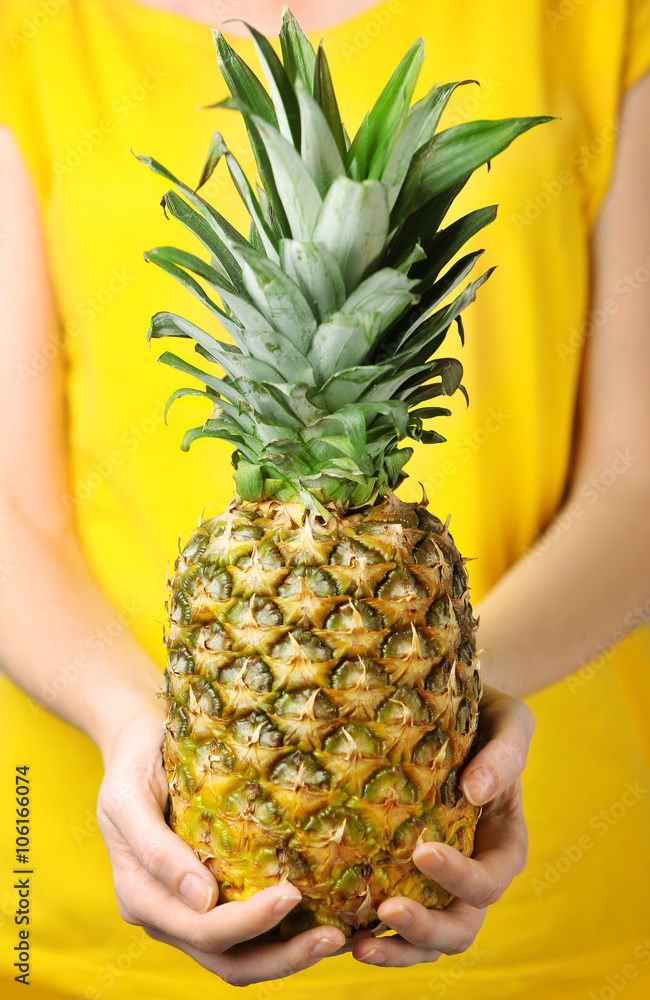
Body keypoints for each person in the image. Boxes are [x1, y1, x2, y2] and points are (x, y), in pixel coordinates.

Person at [0, 0, 648, 997]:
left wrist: (453, 699)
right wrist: (128, 720)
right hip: (97, 939)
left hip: (552, 938)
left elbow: (635, 469)